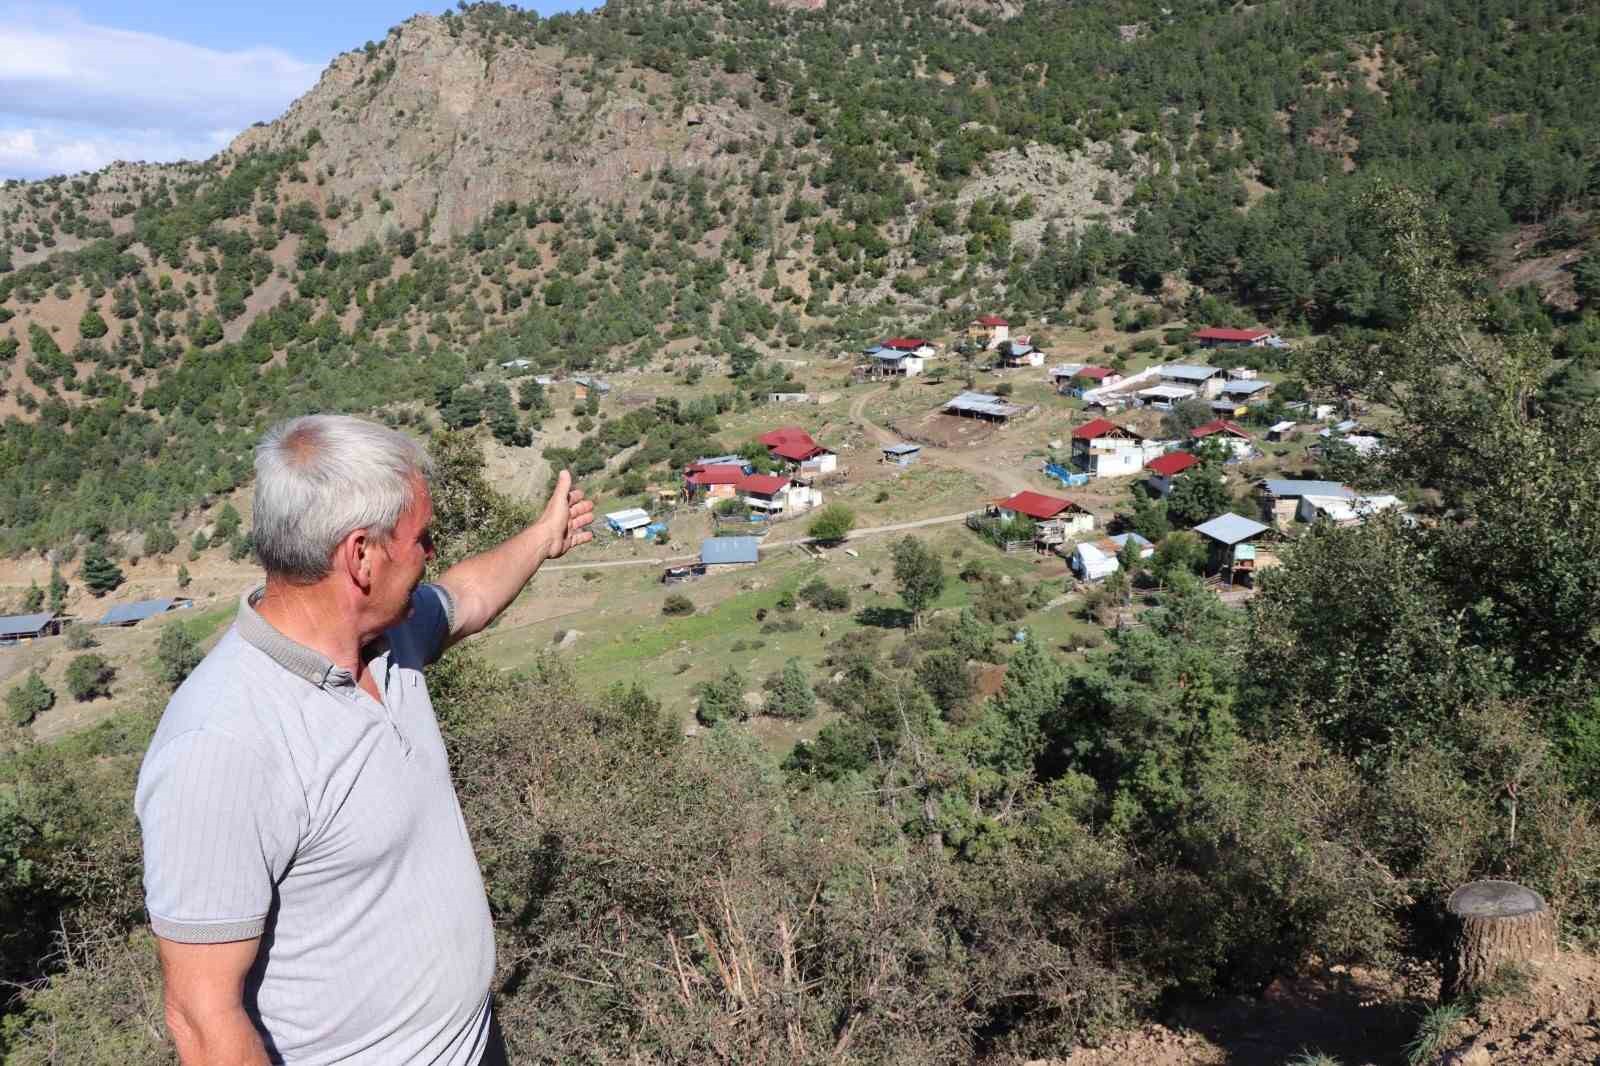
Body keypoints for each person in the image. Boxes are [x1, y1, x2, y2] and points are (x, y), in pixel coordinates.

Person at [135, 415, 594, 1065]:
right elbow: (203, 1020)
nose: (430, 555)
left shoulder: (389, 639)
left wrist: (544, 538)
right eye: (421, 539)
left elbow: (467, 597)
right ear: (360, 556)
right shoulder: (222, 745)